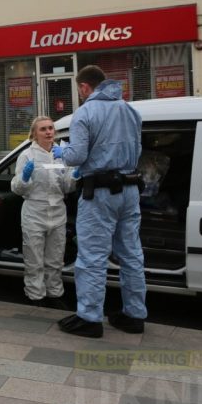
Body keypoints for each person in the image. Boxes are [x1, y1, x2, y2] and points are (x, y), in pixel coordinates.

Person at [52, 65, 145, 338]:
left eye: (79, 90)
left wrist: (61, 151)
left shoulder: (85, 112)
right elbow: (138, 149)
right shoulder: (130, 110)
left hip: (100, 193)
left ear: (84, 87)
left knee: (92, 256)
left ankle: (89, 318)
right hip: (129, 189)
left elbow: (76, 156)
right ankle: (134, 315)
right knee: (131, 254)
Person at [9, 116, 77, 309]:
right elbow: (17, 188)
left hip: (57, 212)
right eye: (43, 129)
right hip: (34, 213)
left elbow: (67, 186)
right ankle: (35, 295)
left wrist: (75, 175)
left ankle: (55, 293)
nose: (48, 132)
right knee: (34, 259)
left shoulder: (61, 154)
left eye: (50, 128)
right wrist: (24, 178)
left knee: (55, 259)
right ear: (34, 134)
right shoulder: (27, 155)